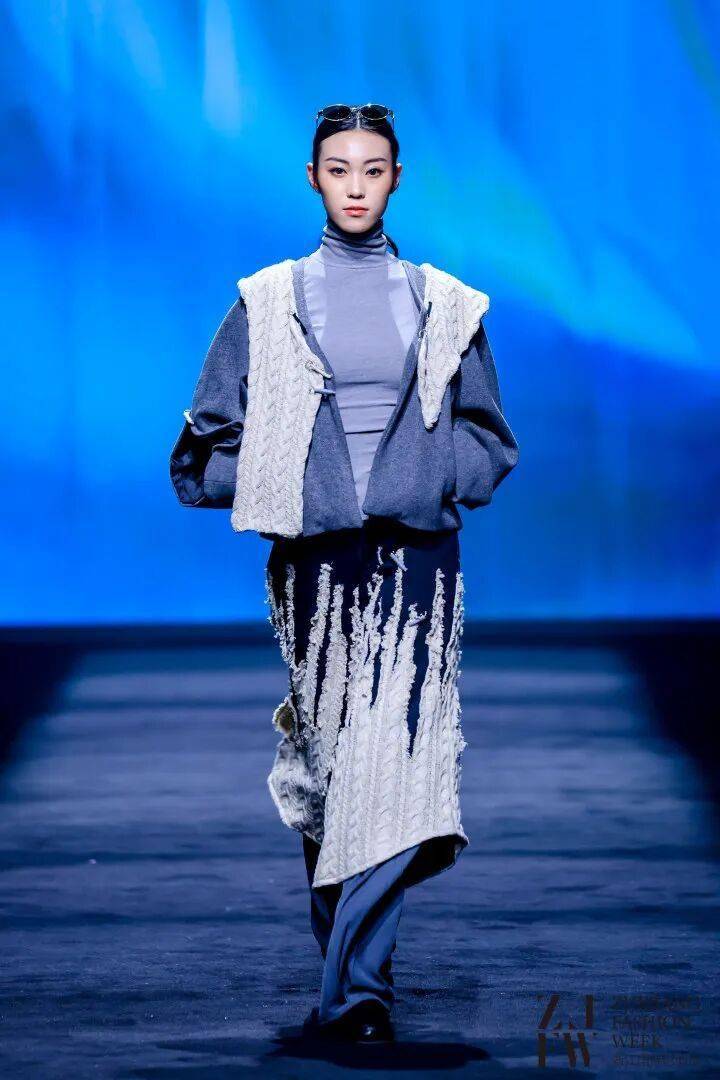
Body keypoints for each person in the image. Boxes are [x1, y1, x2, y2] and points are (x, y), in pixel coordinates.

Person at [170, 103, 520, 1043]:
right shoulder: (268, 299)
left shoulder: (444, 302)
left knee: (392, 762)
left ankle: (359, 990)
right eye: (339, 168)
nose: (356, 186)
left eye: (372, 169)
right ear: (313, 177)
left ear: (396, 178)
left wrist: (430, 477)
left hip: (416, 560)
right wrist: (284, 483)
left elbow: (490, 434)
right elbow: (206, 438)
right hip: (316, 562)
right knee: (331, 770)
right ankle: (351, 965)